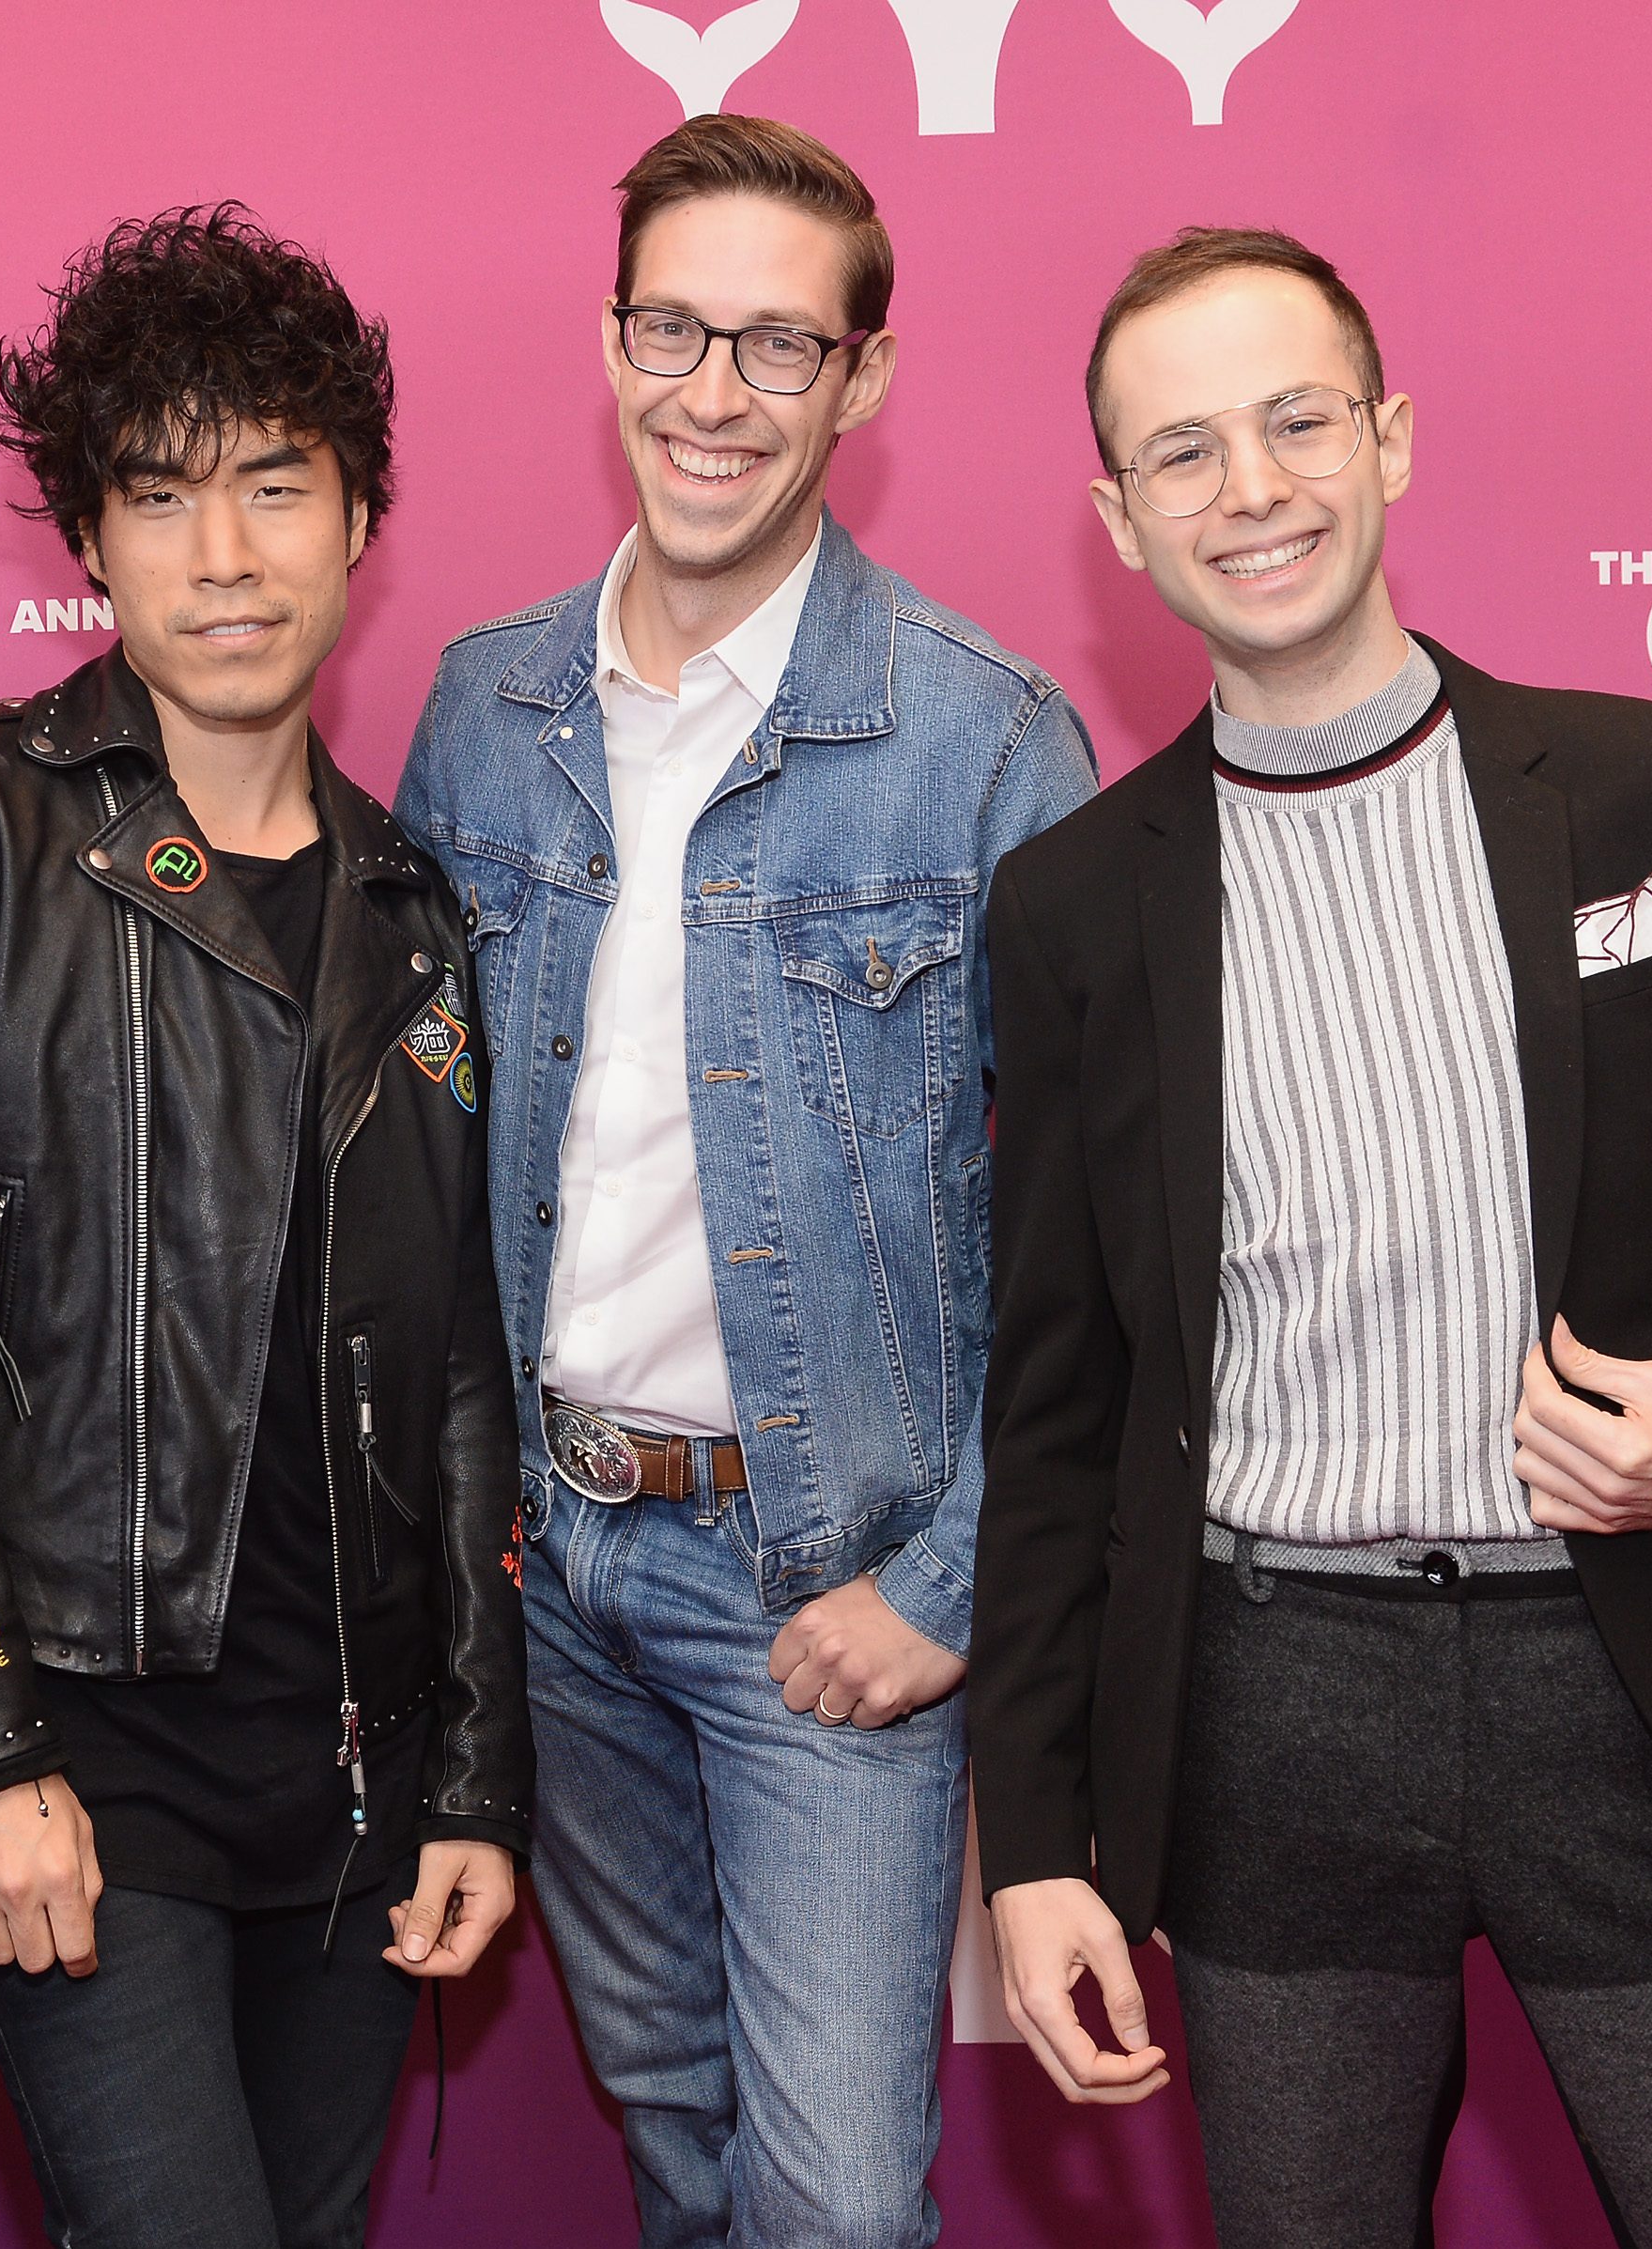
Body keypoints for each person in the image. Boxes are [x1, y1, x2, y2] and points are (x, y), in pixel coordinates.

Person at [970, 226, 1652, 2247]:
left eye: (1293, 419)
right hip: (1265, 1716)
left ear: (1389, 439)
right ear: (1115, 518)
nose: (1248, 489)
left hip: (1628, 1682)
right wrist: (1036, 1838)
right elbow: (1059, 1411)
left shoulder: (1650, 790)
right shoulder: (1074, 908)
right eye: (1180, 453)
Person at [0, 206, 530, 2249]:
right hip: (81, 1774)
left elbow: (457, 1366)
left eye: (275, 484)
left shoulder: (408, 906)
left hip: (352, 1790)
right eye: (161, 495)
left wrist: (470, 1774)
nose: (225, 551)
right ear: (85, 543)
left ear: (359, 513)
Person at [392, 116, 1096, 2248]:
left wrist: (943, 1589)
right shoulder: (479, 708)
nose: (712, 393)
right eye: (673, 330)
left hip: (824, 1590)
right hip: (558, 1571)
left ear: (861, 382)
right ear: (607, 343)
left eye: (777, 347)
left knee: (834, 2207)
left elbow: (1090, 1244)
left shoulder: (985, 742)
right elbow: (423, 1165)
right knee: (672, 2126)